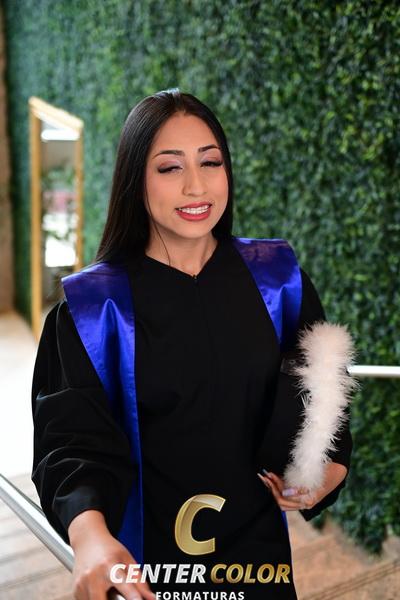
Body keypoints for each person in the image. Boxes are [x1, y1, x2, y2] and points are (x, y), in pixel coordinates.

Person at [31, 89, 353, 600]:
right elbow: (71, 443)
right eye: (169, 167)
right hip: (150, 564)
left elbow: (320, 390)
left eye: (210, 162)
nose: (196, 186)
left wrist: (329, 466)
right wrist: (90, 538)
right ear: (135, 180)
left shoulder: (278, 280)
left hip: (257, 563)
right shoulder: (94, 310)